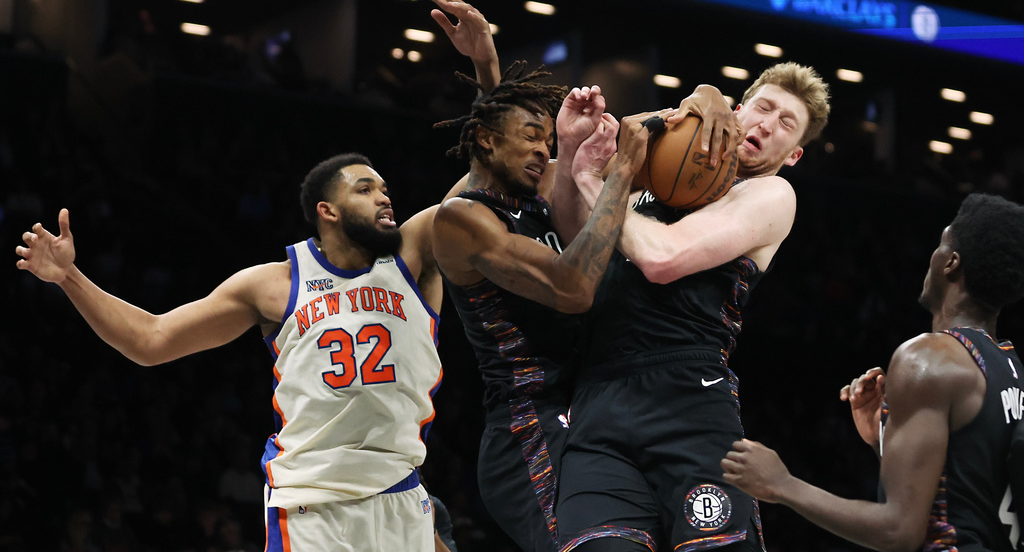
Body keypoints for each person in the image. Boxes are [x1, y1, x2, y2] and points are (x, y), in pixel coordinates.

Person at [15, 152, 451, 552]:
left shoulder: (412, 256)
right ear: (328, 210)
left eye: (384, 190)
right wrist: (69, 277)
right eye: (365, 189)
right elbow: (151, 339)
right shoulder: (275, 284)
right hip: (314, 503)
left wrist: (485, 102)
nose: (384, 198)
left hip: (401, 494)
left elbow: (477, 187)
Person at [554, 63, 831, 552]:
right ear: (736, 112)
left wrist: (597, 182)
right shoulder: (658, 174)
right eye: (764, 108)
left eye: (786, 123)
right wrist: (571, 149)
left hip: (687, 399)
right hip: (598, 396)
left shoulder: (771, 194)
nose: (768, 124)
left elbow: (662, 259)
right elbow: (576, 243)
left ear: (794, 155)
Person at [430, 27, 653, 549]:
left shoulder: (543, 185)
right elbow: (572, 289)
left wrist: (706, 107)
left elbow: (650, 149)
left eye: (548, 141)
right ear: (487, 139)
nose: (542, 149)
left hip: (590, 408)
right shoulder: (462, 219)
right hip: (529, 428)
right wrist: (620, 174)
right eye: (531, 136)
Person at [721, 192, 1024, 552]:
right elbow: (967, 495)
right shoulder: (1009, 366)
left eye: (941, 244)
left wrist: (782, 485)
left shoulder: (929, 358)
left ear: (951, 263)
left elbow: (899, 531)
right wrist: (882, 438)